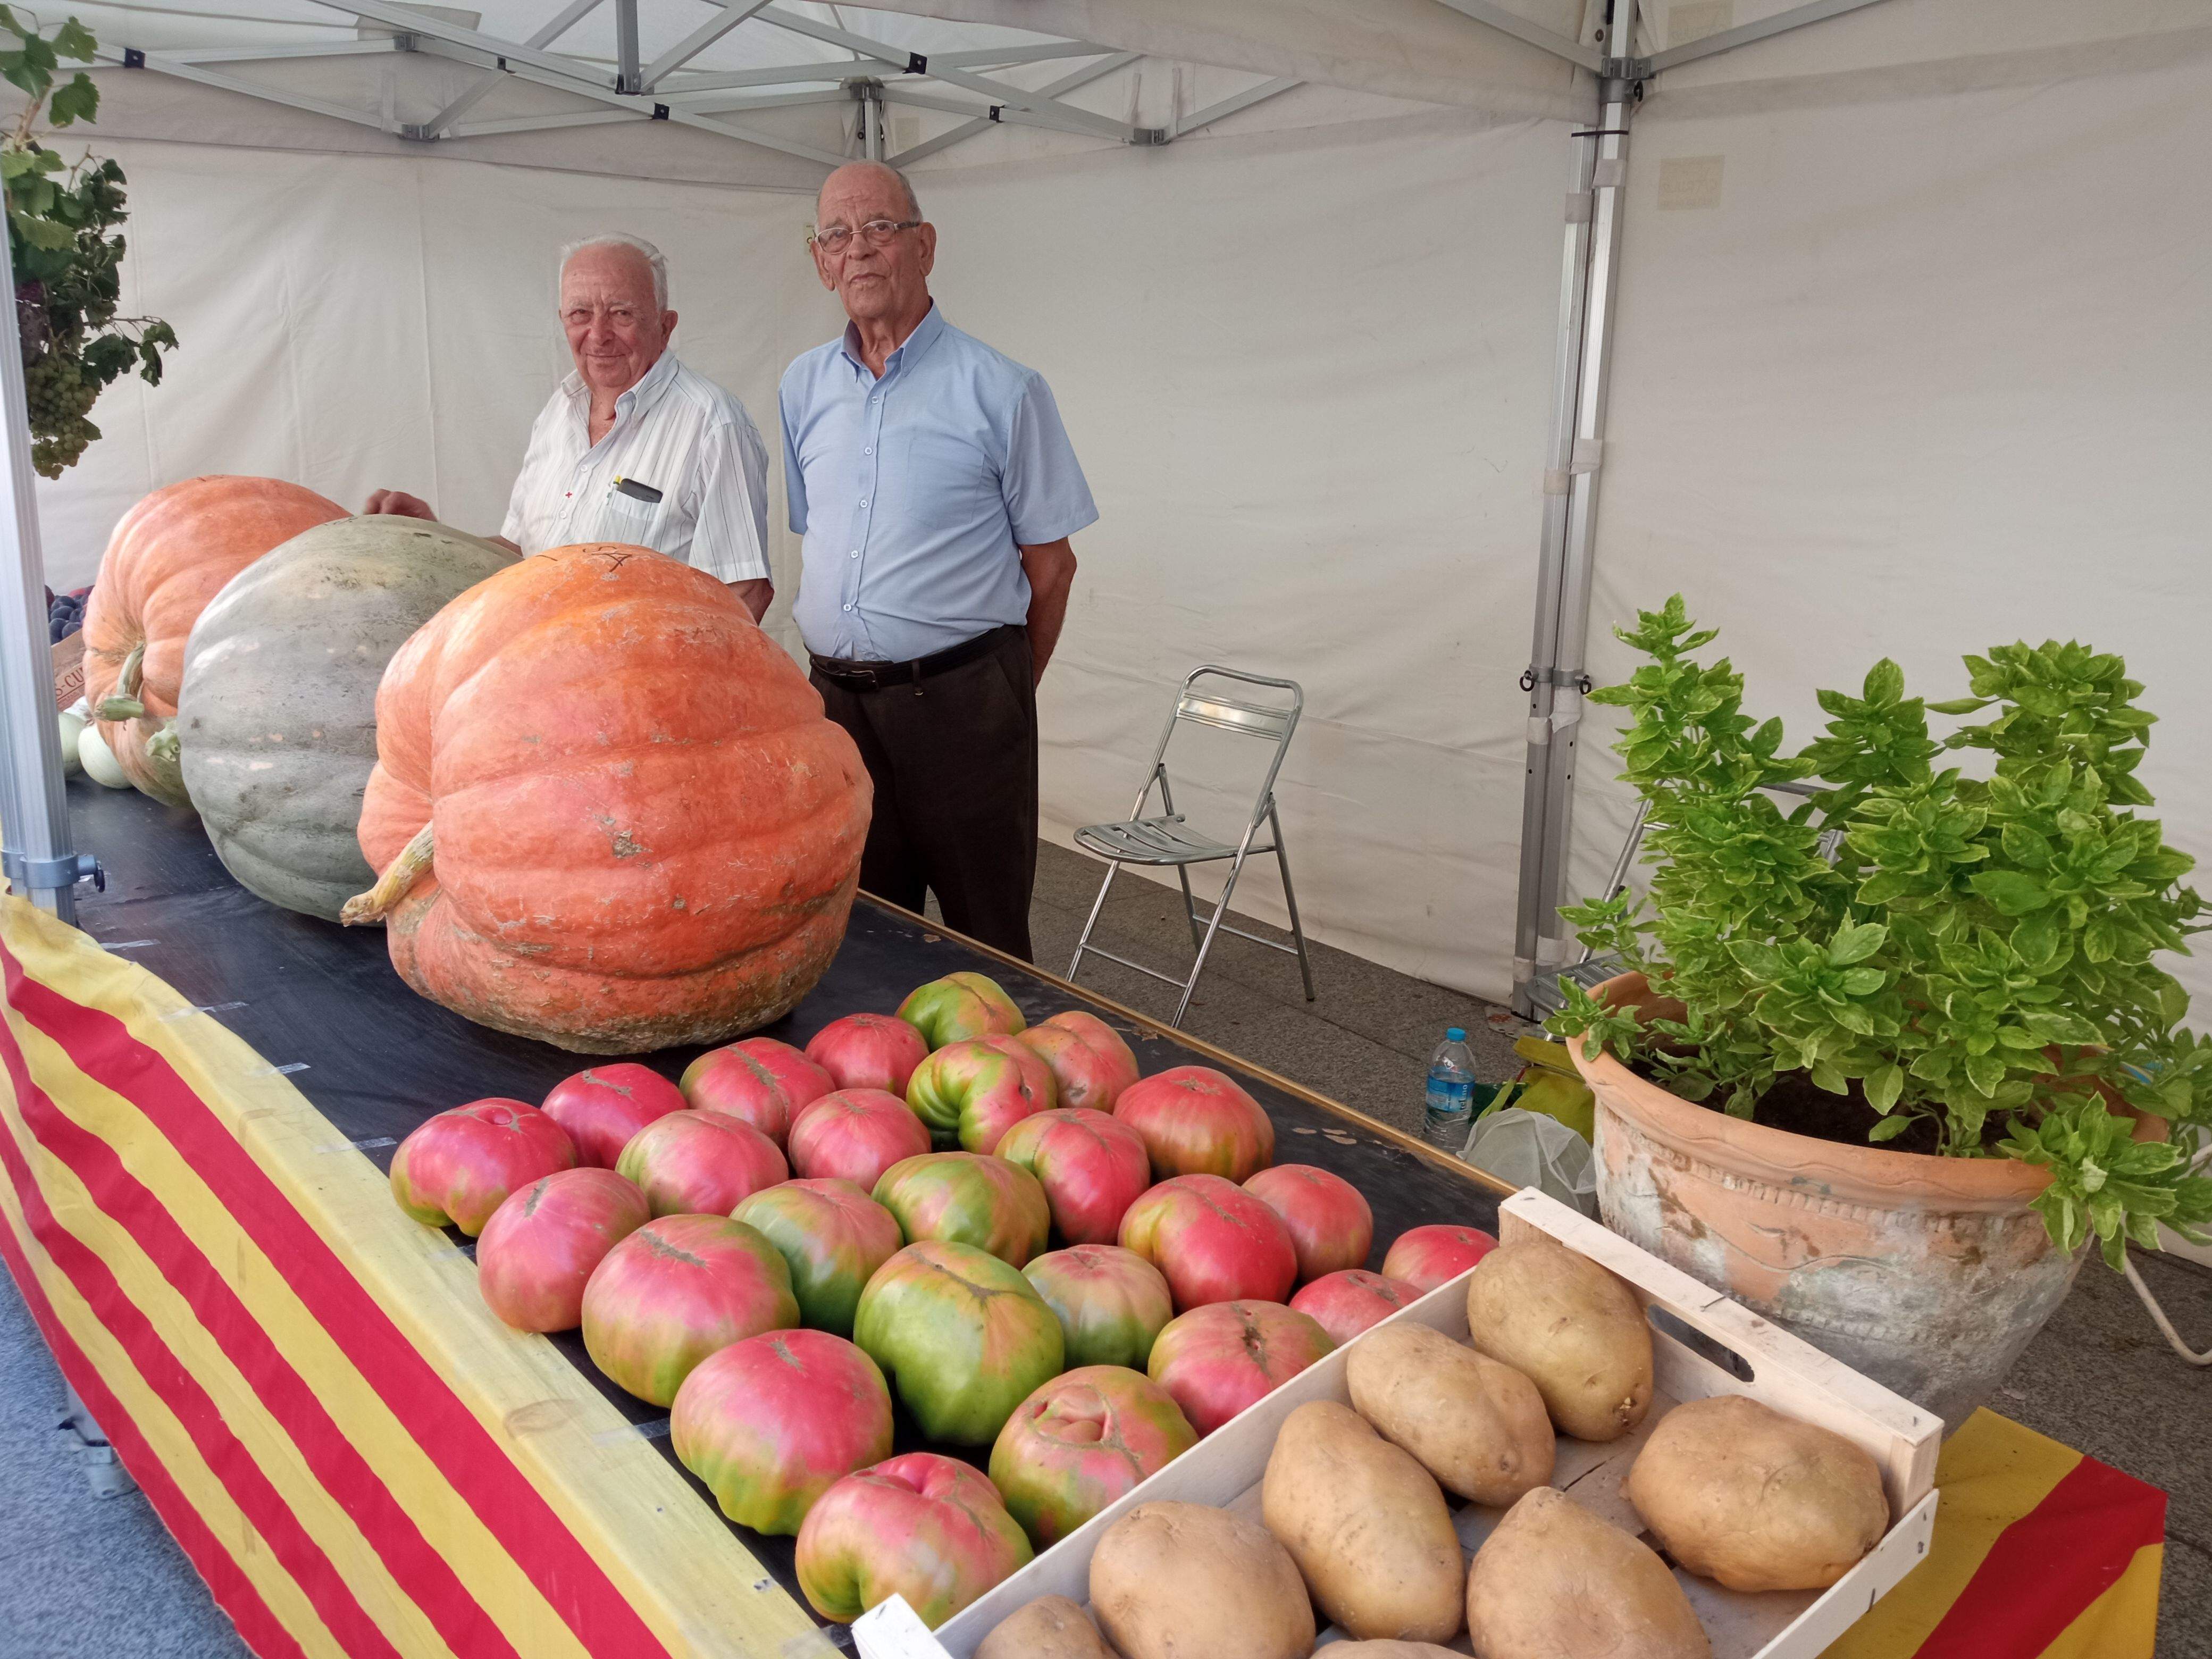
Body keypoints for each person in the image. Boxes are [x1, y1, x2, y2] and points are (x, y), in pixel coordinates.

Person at [782, 161, 1095, 961]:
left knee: (985, 946)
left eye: (879, 228)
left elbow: (1052, 569)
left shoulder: (1003, 389)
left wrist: (1002, 690)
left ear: (923, 245)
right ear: (820, 262)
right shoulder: (802, 387)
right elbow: (819, 533)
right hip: (837, 710)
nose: (859, 249)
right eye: (837, 235)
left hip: (963, 708)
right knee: (859, 941)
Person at [365, 234, 774, 621]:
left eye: (621, 313)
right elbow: (520, 555)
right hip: (537, 662)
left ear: (665, 327)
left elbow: (744, 595)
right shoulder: (558, 413)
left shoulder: (713, 424)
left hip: (640, 671)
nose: (598, 335)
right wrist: (431, 540)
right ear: (563, 320)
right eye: (580, 314)